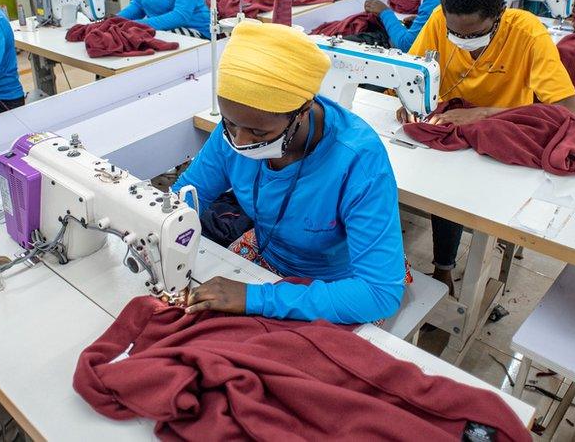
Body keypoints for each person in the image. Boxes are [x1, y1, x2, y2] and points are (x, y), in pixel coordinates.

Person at [174, 22, 406, 323]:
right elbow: (187, 197)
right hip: (266, 255)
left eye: (258, 132)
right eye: (229, 123)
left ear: (303, 110)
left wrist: (257, 298)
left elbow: (379, 293)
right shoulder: (233, 132)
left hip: (339, 286)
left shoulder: (358, 161)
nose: (240, 142)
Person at [407, 0, 575, 293]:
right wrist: (407, 94)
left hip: (498, 137)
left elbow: (569, 112)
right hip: (446, 127)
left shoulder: (528, 33)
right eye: (454, 32)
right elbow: (413, 72)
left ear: (500, 14)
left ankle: (445, 268)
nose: (460, 40)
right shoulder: (439, 19)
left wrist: (484, 114)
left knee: (452, 194)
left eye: (472, 34)